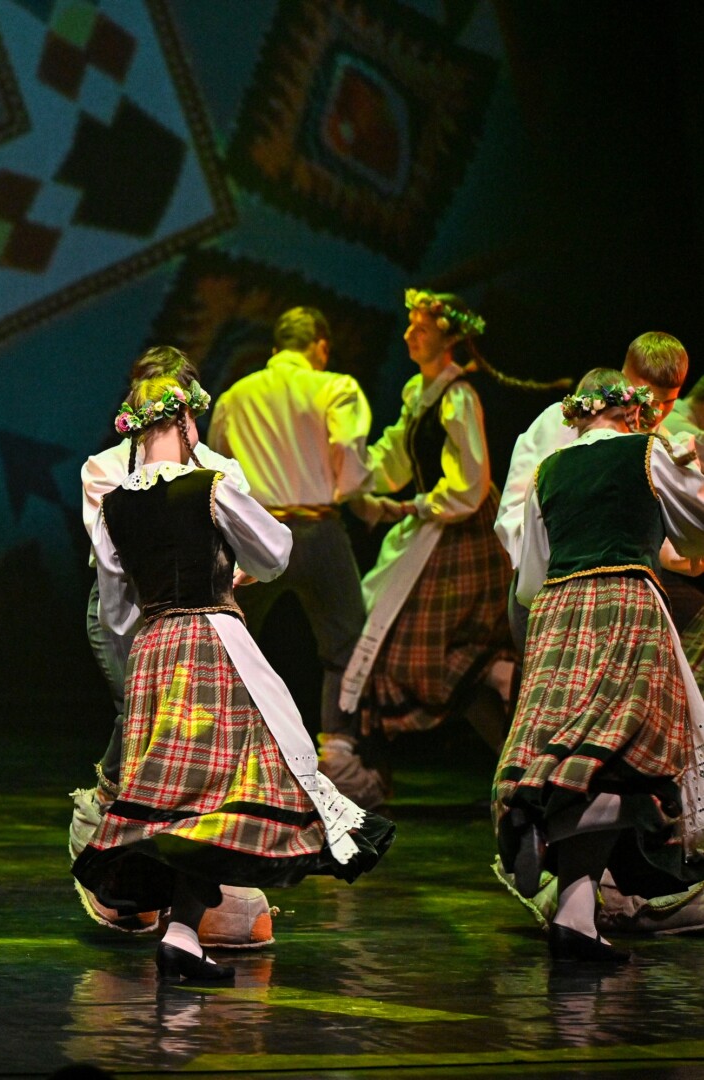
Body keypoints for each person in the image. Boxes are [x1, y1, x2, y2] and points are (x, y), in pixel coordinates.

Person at [71, 371, 393, 985]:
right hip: (213, 640)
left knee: (177, 795)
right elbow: (274, 553)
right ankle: (183, 931)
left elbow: (115, 609)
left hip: (153, 649)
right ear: (186, 422)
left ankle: (182, 933)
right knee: (223, 789)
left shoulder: (113, 506)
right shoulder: (210, 487)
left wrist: (148, 640)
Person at [495, 369, 704, 963]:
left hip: (557, 615)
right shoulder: (648, 453)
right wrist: (691, 469)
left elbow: (530, 579)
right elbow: (696, 531)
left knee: (581, 758)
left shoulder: (547, 470)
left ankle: (575, 916)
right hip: (625, 603)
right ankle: (546, 823)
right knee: (637, 765)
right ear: (632, 412)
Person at [71, 345, 275, 948]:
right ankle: (105, 833)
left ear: (190, 410)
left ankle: (195, 874)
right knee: (143, 725)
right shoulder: (106, 470)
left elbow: (259, 551)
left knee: (205, 740)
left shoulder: (220, 471)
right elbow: (119, 571)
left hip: (207, 614)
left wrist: (222, 578)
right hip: (137, 616)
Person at [340, 290, 517, 786]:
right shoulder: (419, 392)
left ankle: (512, 750)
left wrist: (413, 507)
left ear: (447, 337)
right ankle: (374, 772)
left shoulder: (458, 396)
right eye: (410, 326)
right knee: (403, 647)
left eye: (420, 328)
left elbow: (470, 484)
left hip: (460, 532)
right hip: (433, 526)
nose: (408, 335)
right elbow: (395, 460)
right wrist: (350, 473)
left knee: (424, 651)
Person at [207, 307, 377, 803]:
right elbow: (350, 451)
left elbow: (216, 465)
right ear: (320, 345)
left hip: (256, 532)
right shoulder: (334, 386)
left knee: (232, 639)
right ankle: (339, 755)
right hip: (318, 528)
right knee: (345, 641)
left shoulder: (236, 396)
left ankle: (222, 750)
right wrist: (347, 490)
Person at [496, 332, 689, 651]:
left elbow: (668, 542)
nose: (653, 411)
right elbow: (514, 511)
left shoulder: (661, 448)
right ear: (623, 379)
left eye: (666, 402)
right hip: (550, 591)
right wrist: (544, 580)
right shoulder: (563, 422)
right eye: (644, 396)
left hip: (619, 604)